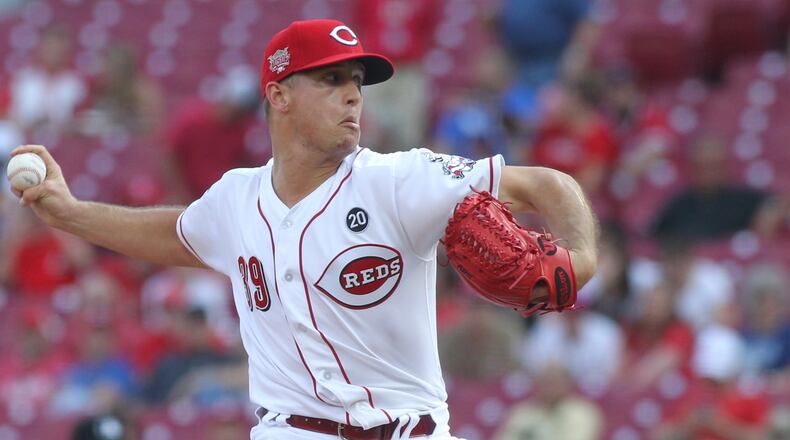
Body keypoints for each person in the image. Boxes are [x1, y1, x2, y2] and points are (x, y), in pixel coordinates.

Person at [11, 19, 598, 440]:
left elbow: (546, 183)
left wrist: (582, 258)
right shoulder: (236, 198)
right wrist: (68, 212)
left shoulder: (401, 179)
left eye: (357, 82)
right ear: (278, 96)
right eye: (330, 79)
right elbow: (175, 234)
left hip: (411, 429)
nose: (352, 94)